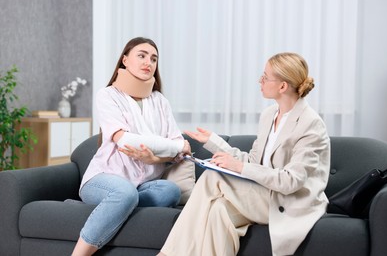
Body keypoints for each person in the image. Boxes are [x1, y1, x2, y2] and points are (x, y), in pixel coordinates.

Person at [158, 52, 330, 256]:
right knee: (219, 211)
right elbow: (253, 162)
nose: (260, 80)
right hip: (265, 193)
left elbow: (290, 181)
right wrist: (213, 141)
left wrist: (238, 167)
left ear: (282, 86)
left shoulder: (311, 124)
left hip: (289, 201)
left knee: (212, 177)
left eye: (265, 77)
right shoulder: (269, 116)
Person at [72, 37, 191, 256]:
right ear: (125, 60)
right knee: (124, 193)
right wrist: (174, 146)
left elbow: (182, 151)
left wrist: (155, 159)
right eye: (142, 56)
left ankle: (118, 206)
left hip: (141, 185)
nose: (149, 62)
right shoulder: (108, 95)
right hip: (102, 179)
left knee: (171, 191)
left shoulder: (159, 101)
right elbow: (125, 140)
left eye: (154, 59)